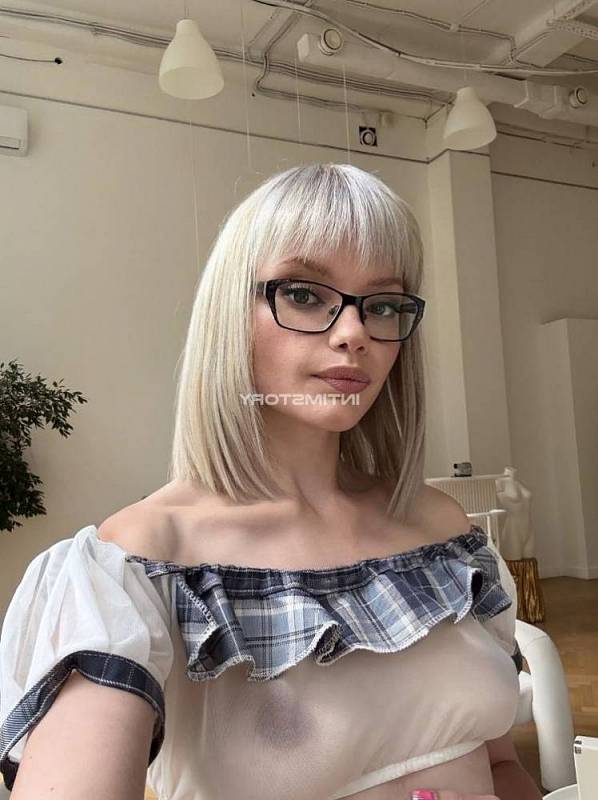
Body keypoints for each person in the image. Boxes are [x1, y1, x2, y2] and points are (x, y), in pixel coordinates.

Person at [0, 163, 528, 800]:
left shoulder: (442, 531)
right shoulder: (141, 563)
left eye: (383, 305)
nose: (354, 332)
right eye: (304, 294)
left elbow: (501, 766)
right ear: (230, 314)